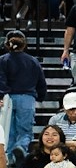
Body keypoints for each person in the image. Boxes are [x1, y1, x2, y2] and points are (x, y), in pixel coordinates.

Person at [0, 28, 47, 156]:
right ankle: (20, 148)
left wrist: (1, 95)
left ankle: (9, 157)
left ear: (6, 43)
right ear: (24, 44)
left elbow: (1, 79)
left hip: (7, 99)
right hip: (27, 98)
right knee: (25, 131)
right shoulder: (33, 61)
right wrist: (41, 96)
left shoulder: (3, 60)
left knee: (8, 130)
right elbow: (41, 82)